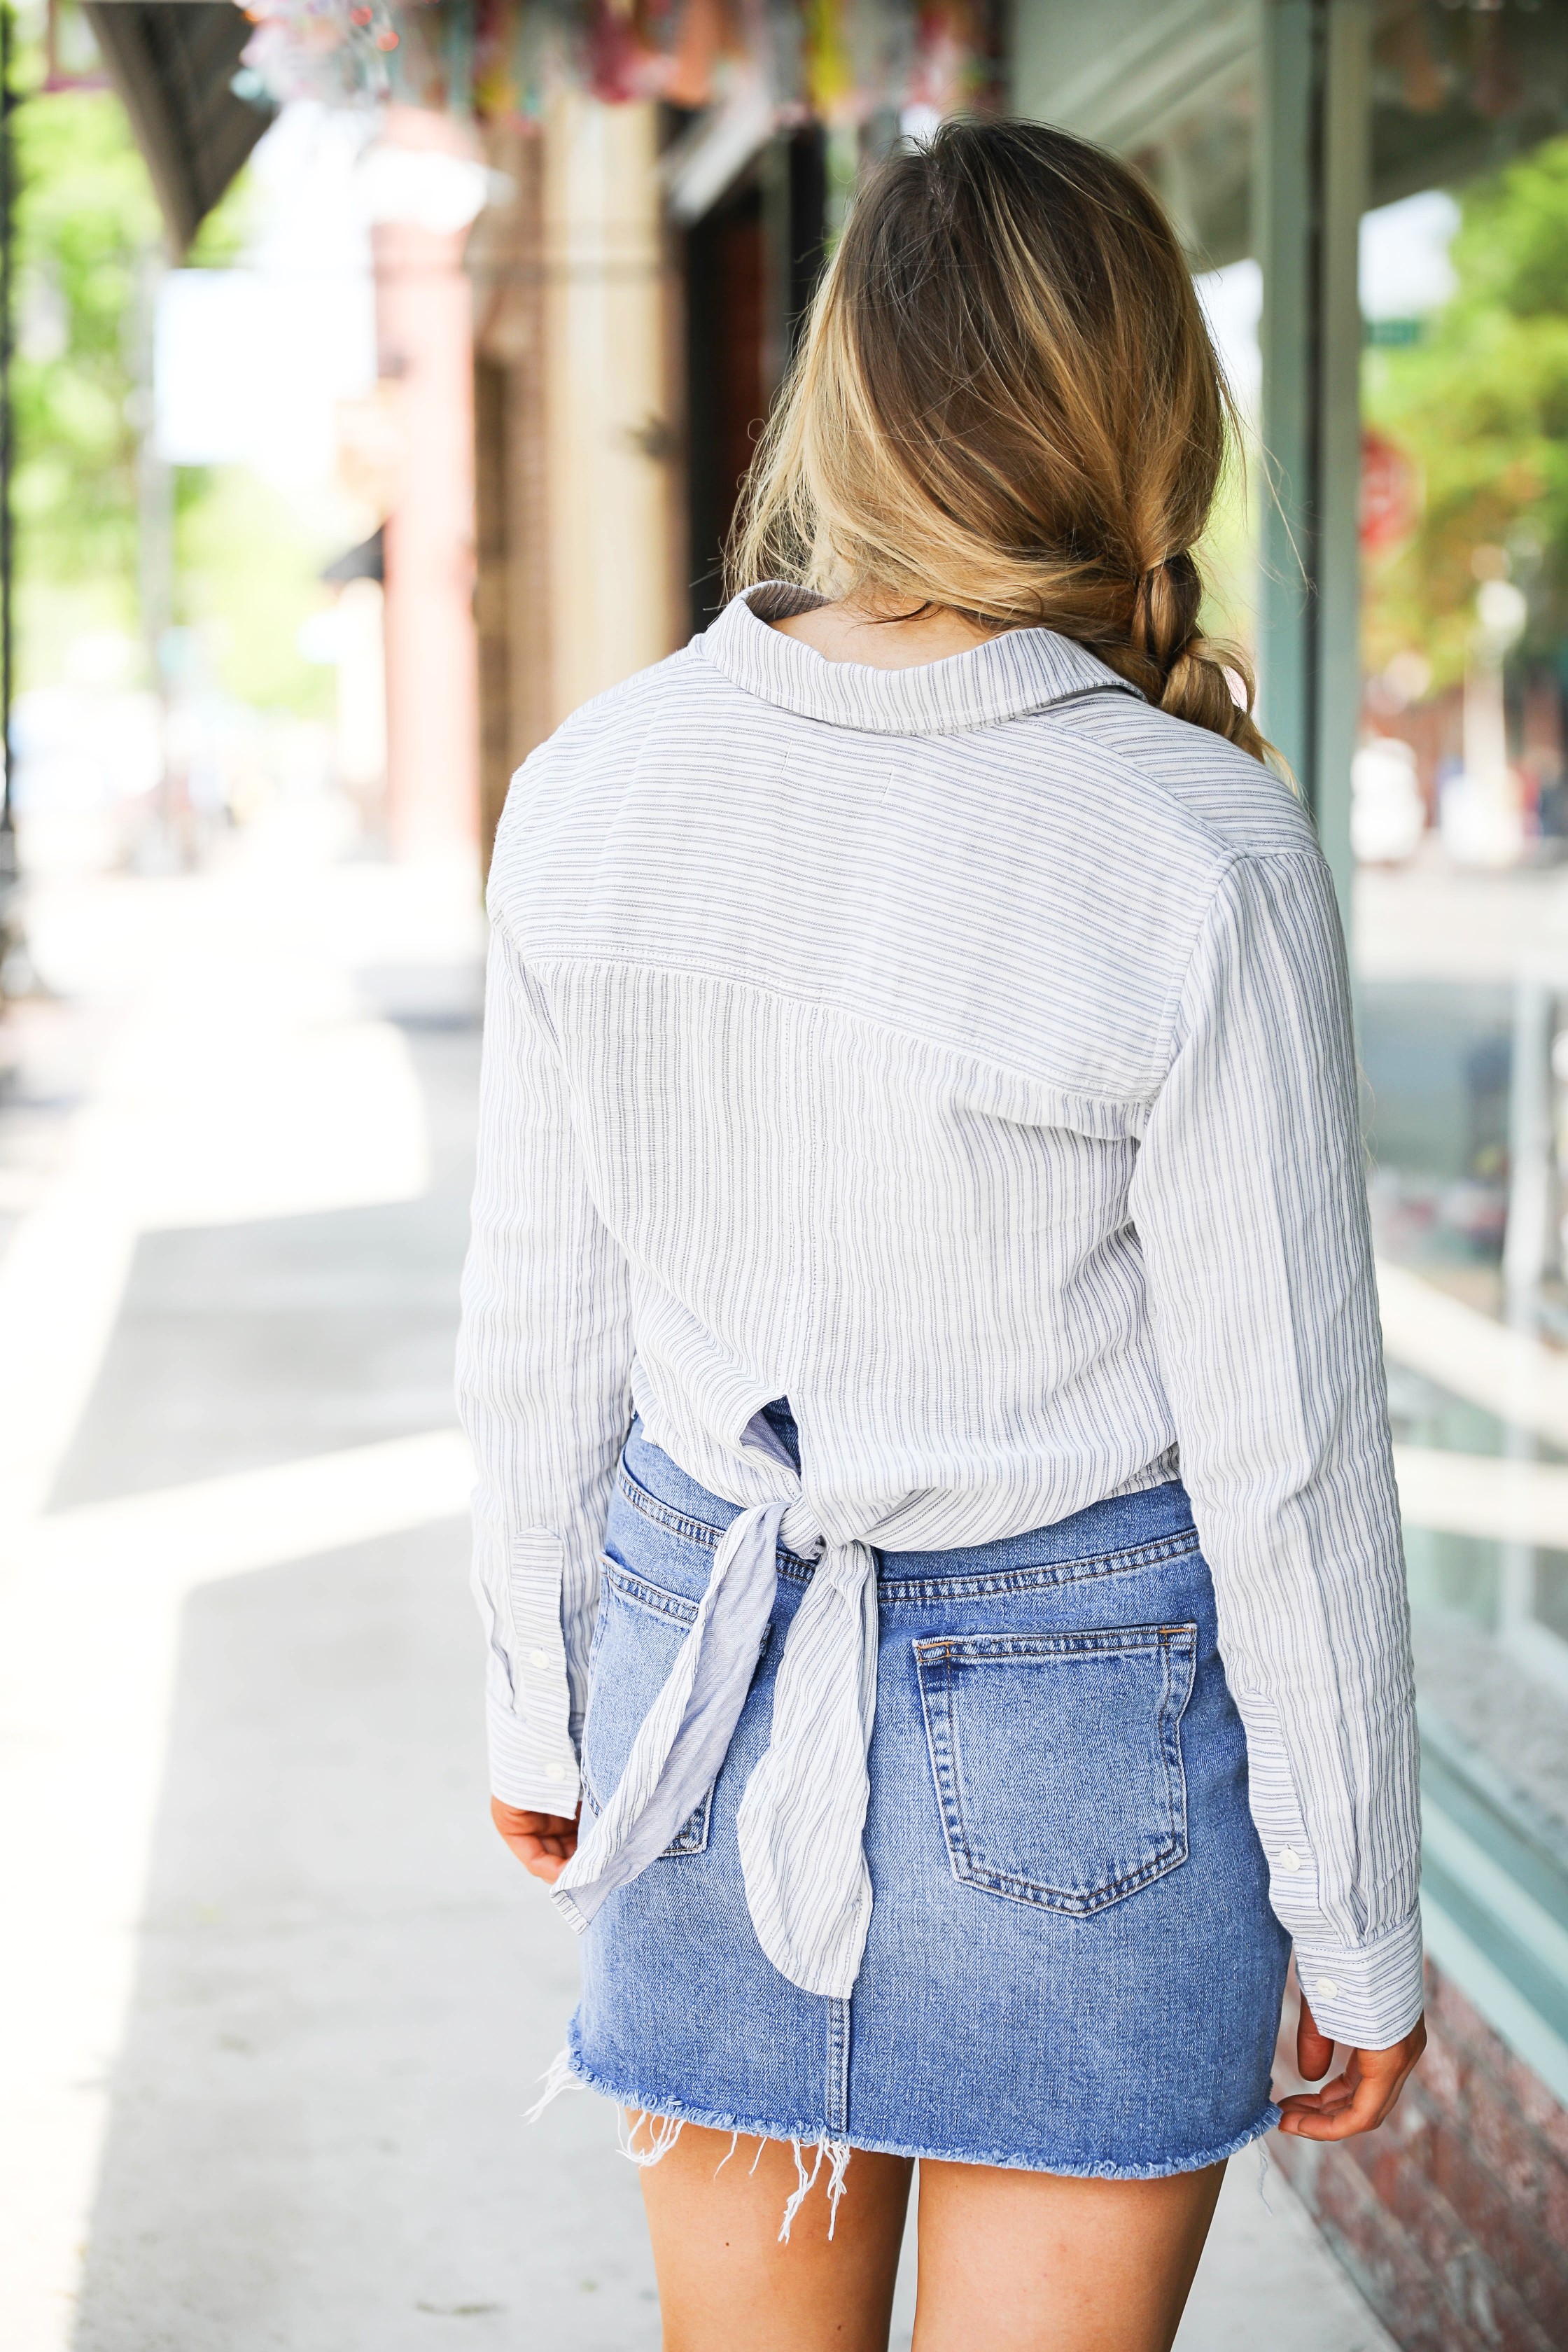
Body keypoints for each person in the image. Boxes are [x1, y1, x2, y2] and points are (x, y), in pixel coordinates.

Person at [457, 118, 1425, 2352]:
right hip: (1091, 1741)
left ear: (844, 397)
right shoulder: (1198, 846)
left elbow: (539, 1315)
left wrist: (536, 1696)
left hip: (702, 1671)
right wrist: (1358, 1911)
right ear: (1147, 414)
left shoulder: (598, 782)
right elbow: (1289, 1458)